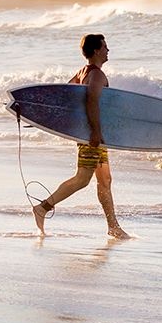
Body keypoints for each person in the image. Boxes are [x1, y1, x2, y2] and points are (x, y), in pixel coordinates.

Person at [32, 33, 127, 239]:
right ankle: (43, 208)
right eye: (105, 47)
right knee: (83, 179)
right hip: (92, 134)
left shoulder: (83, 72)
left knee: (105, 180)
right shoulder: (97, 75)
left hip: (92, 133)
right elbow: (91, 101)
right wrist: (94, 131)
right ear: (96, 50)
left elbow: (66, 96)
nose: (108, 50)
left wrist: (44, 117)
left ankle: (113, 227)